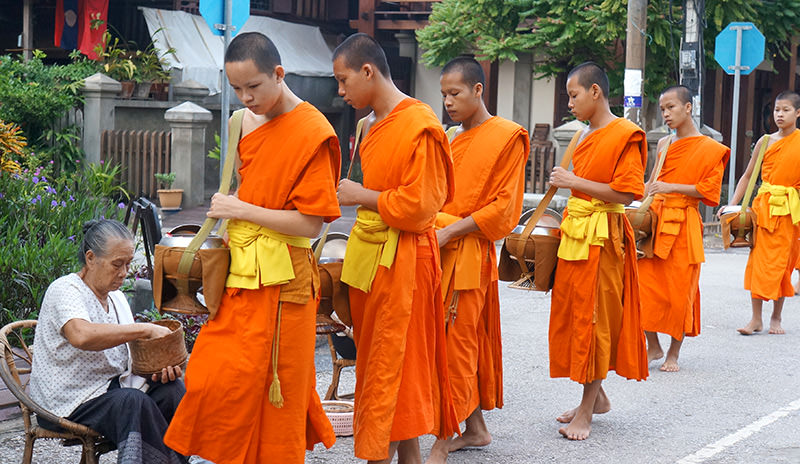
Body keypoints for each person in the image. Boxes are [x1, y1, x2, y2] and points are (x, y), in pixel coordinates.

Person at [163, 32, 340, 463]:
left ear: (279, 74)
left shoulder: (313, 130)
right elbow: (249, 189)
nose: (245, 97)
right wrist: (233, 220)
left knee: (278, 397)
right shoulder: (240, 121)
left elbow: (311, 223)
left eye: (254, 87)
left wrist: (242, 209)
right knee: (211, 378)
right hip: (241, 274)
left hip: (286, 282)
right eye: (236, 88)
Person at [332, 32, 459, 463]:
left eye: (344, 80)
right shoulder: (369, 125)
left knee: (392, 369)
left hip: (405, 259)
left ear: (368, 71)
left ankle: (379, 455)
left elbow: (421, 207)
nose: (341, 91)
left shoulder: (419, 123)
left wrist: (362, 196)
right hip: (371, 259)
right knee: (387, 367)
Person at [427, 56, 529, 463]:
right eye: (444, 95)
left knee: (458, 347)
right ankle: (475, 429)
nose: (448, 102)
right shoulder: (451, 138)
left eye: (455, 93)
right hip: (437, 250)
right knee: (445, 343)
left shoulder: (507, 137)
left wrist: (450, 231)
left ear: (478, 90)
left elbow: (505, 209)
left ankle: (442, 438)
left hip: (467, 253)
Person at [29, 219, 187, 464]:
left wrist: (160, 370)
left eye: (128, 263)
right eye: (117, 264)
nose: (124, 272)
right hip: (67, 399)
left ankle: (181, 459)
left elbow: (130, 362)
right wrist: (144, 329)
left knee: (171, 390)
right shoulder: (65, 289)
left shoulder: (116, 298)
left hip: (110, 388)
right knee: (132, 402)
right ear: (91, 258)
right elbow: (81, 335)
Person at [547, 62, 649, 441]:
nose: (570, 103)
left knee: (595, 318)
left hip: (604, 236)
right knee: (576, 315)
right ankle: (597, 397)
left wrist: (573, 180)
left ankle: (586, 411)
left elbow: (626, 192)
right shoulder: (583, 135)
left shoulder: (625, 134)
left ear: (595, 92)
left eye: (574, 95)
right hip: (576, 234)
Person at [639, 85, 730, 372]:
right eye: (662, 109)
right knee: (642, 285)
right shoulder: (664, 144)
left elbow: (709, 190)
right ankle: (653, 345)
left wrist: (671, 187)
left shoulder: (710, 148)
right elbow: (652, 183)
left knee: (680, 290)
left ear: (688, 107)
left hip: (684, 223)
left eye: (671, 107)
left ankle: (673, 353)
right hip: (656, 221)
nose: (666, 114)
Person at [726, 91, 800, 336]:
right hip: (764, 209)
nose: (780, 115)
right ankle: (756, 319)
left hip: (789, 212)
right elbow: (748, 176)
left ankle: (776, 317)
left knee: (782, 265)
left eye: (786, 110)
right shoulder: (765, 141)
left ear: (797, 113)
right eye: (777, 110)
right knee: (758, 264)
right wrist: (733, 205)